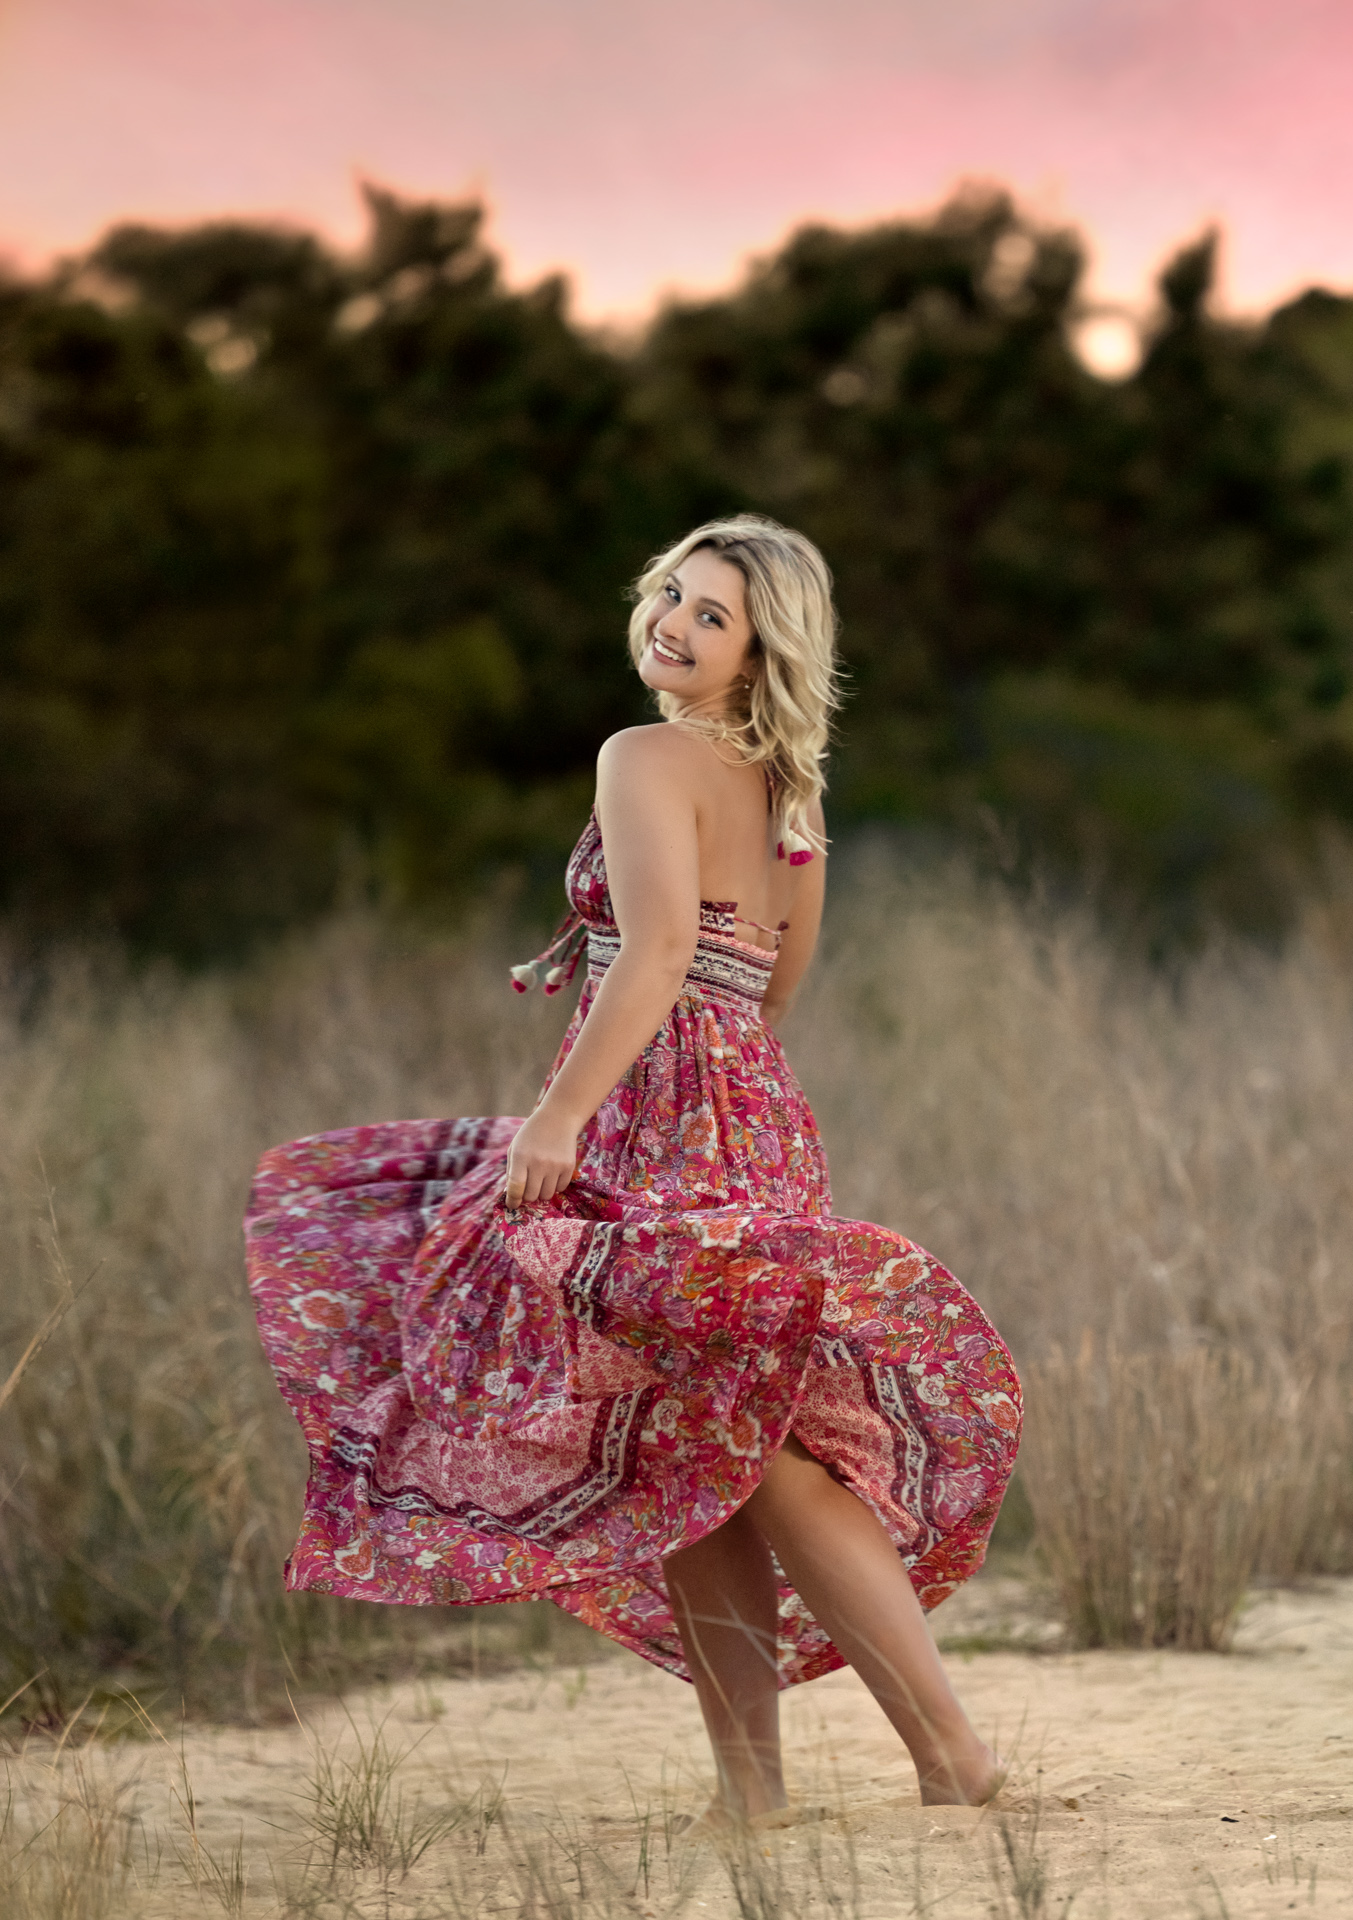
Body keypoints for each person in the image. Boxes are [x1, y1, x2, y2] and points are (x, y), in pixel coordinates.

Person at [245, 515, 1021, 1824]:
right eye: (670, 593)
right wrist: (693, 1093)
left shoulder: (642, 755)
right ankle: (755, 1790)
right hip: (751, 1112)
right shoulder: (791, 792)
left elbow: (659, 949)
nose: (673, 622)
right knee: (695, 1448)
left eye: (713, 614)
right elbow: (770, 986)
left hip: (659, 1122)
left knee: (760, 1446)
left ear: (761, 648)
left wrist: (561, 1117)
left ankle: (949, 1756)